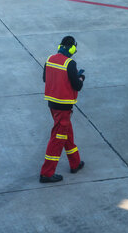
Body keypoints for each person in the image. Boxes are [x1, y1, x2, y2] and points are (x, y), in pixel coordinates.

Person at [39, 36, 85, 183]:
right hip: (64, 106)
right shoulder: (70, 64)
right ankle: (46, 173)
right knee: (57, 139)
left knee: (67, 133)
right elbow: (77, 86)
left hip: (52, 105)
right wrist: (81, 78)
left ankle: (75, 163)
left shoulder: (50, 58)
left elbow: (45, 79)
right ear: (71, 48)